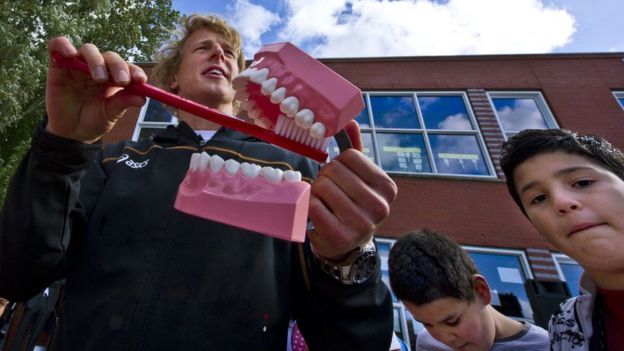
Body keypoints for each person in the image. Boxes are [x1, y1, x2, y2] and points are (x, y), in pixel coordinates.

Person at [0, 14, 397, 350]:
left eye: (229, 53)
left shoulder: (297, 172)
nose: (220, 54)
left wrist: (349, 260)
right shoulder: (115, 160)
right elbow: (18, 274)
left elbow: (354, 343)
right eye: (203, 47)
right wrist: (60, 147)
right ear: (172, 81)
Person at [500, 128, 624, 351]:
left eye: (583, 182)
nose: (562, 202)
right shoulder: (564, 327)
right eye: (539, 198)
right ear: (540, 231)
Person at [388, 229, 549, 351]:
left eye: (452, 321)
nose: (444, 338)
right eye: (427, 324)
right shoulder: (428, 344)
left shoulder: (549, 346)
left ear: (480, 290)